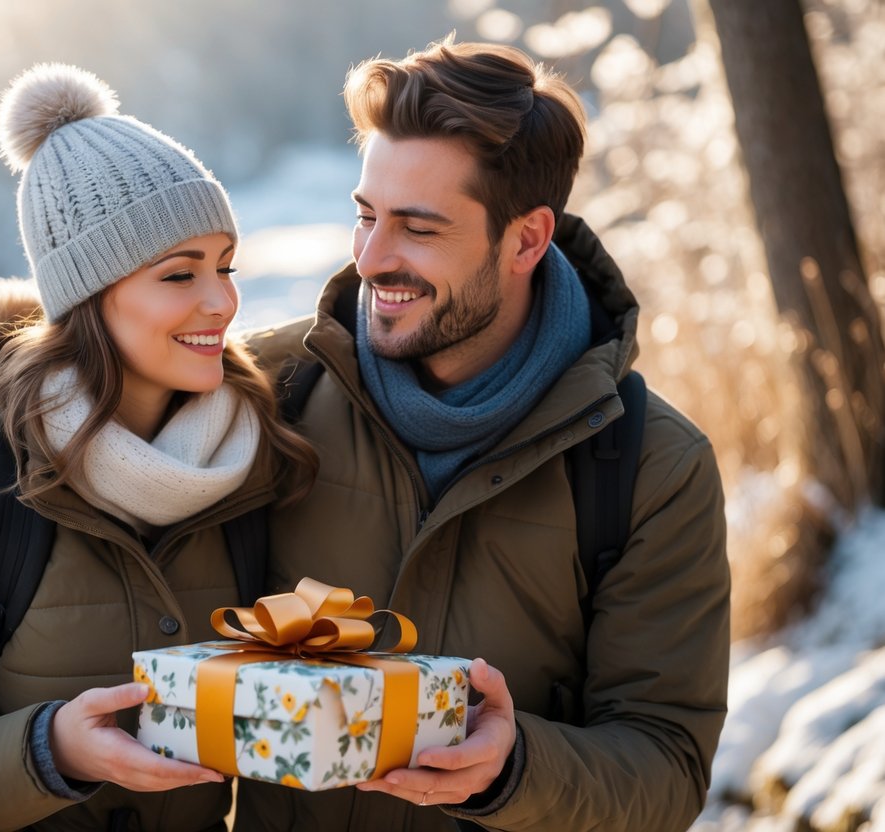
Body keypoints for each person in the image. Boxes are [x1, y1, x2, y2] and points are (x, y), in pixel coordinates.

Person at [239, 37, 730, 831]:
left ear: (526, 240)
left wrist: (513, 771)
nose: (369, 259)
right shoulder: (266, 394)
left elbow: (666, 766)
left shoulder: (650, 467)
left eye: (417, 229)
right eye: (364, 216)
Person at [0, 63, 315, 831]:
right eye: (179, 274)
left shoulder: (253, 460)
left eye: (225, 266)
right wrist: (48, 753)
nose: (220, 301)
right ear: (88, 293)